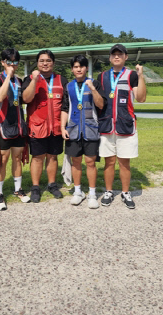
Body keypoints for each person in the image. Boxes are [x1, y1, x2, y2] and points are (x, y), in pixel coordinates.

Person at [98, 43, 146, 209]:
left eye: (120, 54)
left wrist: (140, 76)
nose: (116, 56)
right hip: (106, 126)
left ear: (126, 57)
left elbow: (141, 98)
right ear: (110, 57)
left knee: (124, 163)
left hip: (126, 126)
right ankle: (109, 191)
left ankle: (126, 193)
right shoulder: (102, 76)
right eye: (113, 54)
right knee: (109, 162)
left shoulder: (132, 75)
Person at [22, 49, 68, 203]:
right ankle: (35, 187)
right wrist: (35, 80)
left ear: (53, 63)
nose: (45, 63)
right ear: (37, 63)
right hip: (37, 127)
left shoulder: (62, 80)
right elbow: (26, 99)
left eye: (48, 60)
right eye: (42, 61)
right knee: (37, 158)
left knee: (53, 157)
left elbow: (66, 105)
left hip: (56, 127)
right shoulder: (29, 79)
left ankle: (52, 184)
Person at [61, 55, 105, 209]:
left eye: (81, 66)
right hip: (73, 130)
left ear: (86, 68)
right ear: (72, 69)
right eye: (75, 66)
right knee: (76, 162)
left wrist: (92, 89)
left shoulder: (94, 83)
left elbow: (100, 105)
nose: (78, 69)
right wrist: (62, 127)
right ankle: (78, 192)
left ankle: (92, 194)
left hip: (91, 129)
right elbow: (65, 108)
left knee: (90, 162)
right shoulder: (68, 86)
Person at [0, 48, 30, 210]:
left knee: (17, 157)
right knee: (3, 159)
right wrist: (8, 76)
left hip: (19, 125)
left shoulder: (19, 81)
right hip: (3, 126)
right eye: (9, 62)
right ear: (2, 62)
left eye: (15, 62)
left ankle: (18, 190)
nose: (12, 65)